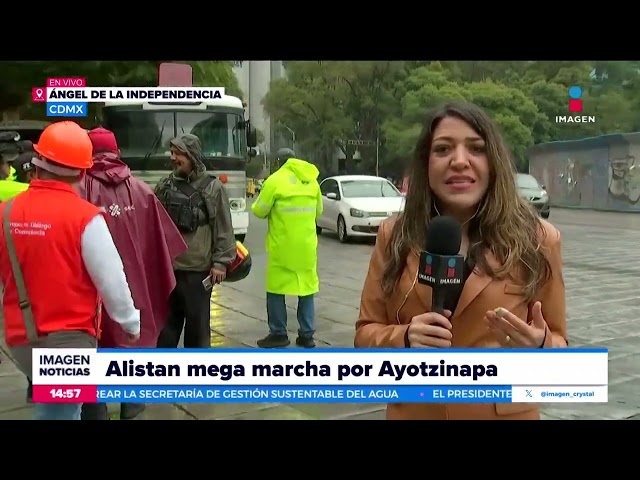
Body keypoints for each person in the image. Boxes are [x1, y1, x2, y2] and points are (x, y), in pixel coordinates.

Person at [354, 102, 568, 420]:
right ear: (426, 164)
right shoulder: (394, 234)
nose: (459, 161)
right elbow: (364, 335)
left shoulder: (538, 239)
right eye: (443, 149)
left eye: (476, 149)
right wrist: (405, 339)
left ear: (494, 161)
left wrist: (541, 347)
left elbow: (561, 350)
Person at [0, 121, 141, 421]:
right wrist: (130, 323)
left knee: (63, 409)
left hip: (20, 335)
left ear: (37, 163)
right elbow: (112, 281)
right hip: (69, 341)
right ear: (82, 171)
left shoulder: (6, 213)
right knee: (59, 414)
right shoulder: (85, 218)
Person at [78, 127, 187, 421]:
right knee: (133, 345)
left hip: (92, 291)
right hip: (136, 288)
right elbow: (163, 247)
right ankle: (132, 405)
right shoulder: (142, 191)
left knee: (93, 348)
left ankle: (95, 409)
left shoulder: (78, 189)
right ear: (117, 151)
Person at [155, 133, 236, 349]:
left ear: (192, 155)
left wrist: (220, 263)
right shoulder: (165, 185)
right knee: (165, 331)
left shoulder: (213, 188)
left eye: (178, 153)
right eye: (172, 152)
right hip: (168, 271)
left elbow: (224, 227)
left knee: (197, 332)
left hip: (197, 272)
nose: (173, 157)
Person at [252, 148, 323, 349]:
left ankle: (278, 333)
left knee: (275, 290)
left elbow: (259, 211)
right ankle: (307, 335)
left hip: (282, 247)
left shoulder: (275, 180)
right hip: (307, 248)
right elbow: (319, 211)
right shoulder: (312, 181)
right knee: (306, 289)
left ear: (279, 162)